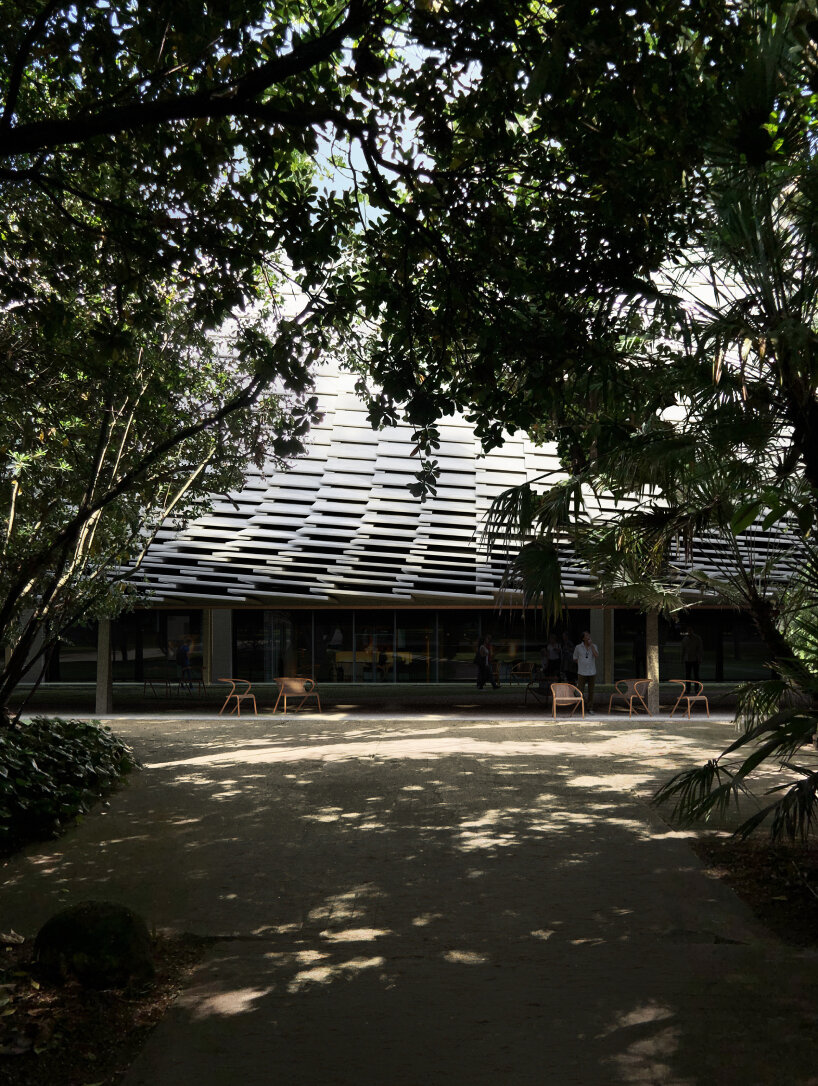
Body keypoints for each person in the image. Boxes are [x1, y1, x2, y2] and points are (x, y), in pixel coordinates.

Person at [573, 631, 599, 708]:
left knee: (591, 691)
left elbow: (596, 655)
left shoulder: (594, 646)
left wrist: (591, 646)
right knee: (580, 690)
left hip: (592, 672)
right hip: (582, 672)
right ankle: (582, 705)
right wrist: (581, 663)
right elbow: (575, 658)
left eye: (589, 635)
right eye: (587, 635)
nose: (588, 636)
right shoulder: (578, 647)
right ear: (583, 638)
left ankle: (590, 707)